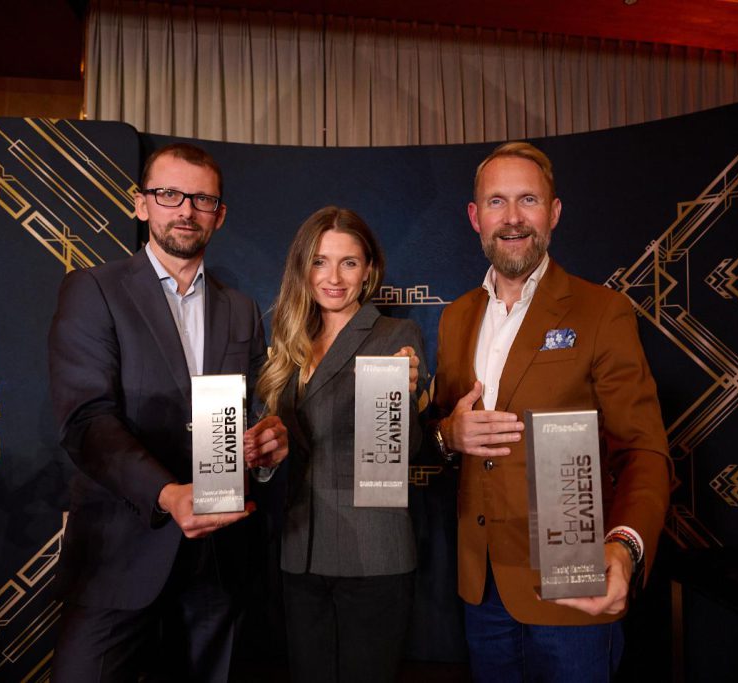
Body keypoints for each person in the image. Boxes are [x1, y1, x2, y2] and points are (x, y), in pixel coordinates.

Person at [48, 142, 288, 682]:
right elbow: (86, 421)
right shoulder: (94, 290)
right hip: (119, 552)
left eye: (202, 199)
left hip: (217, 561)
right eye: (169, 194)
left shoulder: (241, 309)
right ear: (141, 204)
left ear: (219, 215)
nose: (186, 210)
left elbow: (252, 412)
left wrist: (267, 443)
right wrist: (166, 493)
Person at [431, 142, 671, 682]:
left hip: (573, 583)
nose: (512, 218)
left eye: (528, 200)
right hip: (482, 588)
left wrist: (625, 547)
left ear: (554, 212)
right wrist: (449, 434)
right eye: (496, 201)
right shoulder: (456, 317)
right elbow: (440, 430)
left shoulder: (602, 311)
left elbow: (643, 449)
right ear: (475, 217)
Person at [255, 206, 425, 683]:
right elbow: (279, 444)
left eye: (348, 262)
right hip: (299, 550)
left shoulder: (396, 336)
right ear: (303, 268)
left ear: (368, 270)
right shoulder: (289, 338)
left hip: (372, 550)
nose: (333, 278)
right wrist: (265, 455)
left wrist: (404, 400)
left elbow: (407, 451)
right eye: (320, 261)